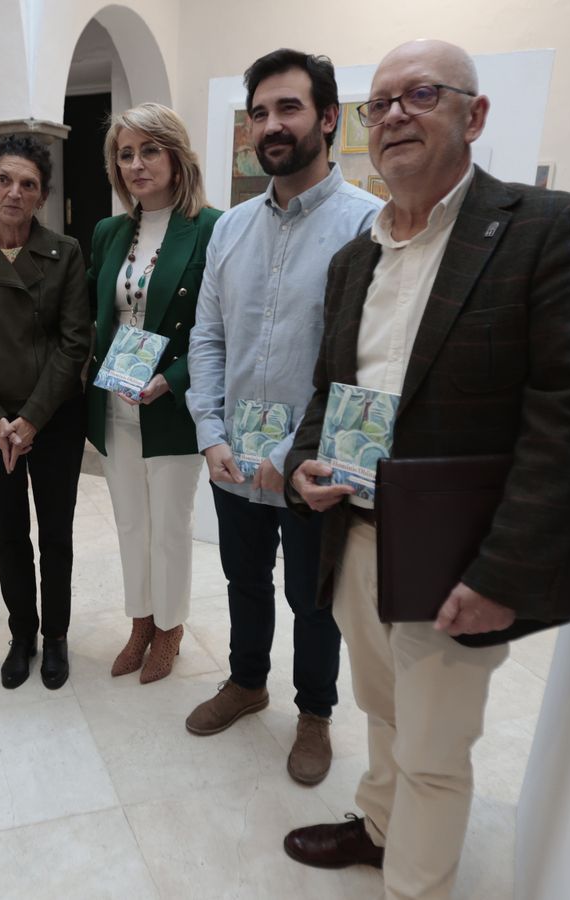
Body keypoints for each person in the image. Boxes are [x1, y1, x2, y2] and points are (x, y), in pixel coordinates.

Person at [280, 40, 570, 900]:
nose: (394, 115)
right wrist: (302, 461)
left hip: (459, 558)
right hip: (356, 536)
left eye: (420, 95)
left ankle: (415, 885)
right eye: (379, 104)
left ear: (475, 115)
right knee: (382, 710)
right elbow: (328, 389)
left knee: (434, 754)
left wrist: (506, 571)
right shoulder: (355, 259)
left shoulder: (545, 229)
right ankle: (378, 827)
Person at [184, 49, 382, 786]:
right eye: (259, 112)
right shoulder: (230, 229)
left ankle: (314, 713)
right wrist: (209, 433)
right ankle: (246, 682)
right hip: (234, 455)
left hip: (312, 466)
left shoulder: (369, 226)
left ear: (328, 118)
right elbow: (208, 337)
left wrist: (301, 455)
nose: (271, 125)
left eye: (288, 108)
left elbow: (367, 362)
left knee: (313, 596)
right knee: (243, 579)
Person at [0, 135, 92, 691]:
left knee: (55, 533)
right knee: (9, 534)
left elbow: (75, 343)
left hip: (54, 419)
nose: (14, 192)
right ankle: (21, 634)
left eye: (28, 184)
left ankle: (56, 635)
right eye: (4, 180)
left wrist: (31, 419)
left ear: (42, 196)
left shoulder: (65, 252)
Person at [85, 103, 221, 684]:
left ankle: (170, 626)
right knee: (130, 524)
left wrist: (173, 378)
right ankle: (140, 621)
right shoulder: (109, 232)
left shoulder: (211, 227)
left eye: (149, 150)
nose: (136, 164)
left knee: (169, 525)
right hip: (115, 399)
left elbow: (220, 327)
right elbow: (96, 314)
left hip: (170, 404)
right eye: (125, 154)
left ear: (176, 156)